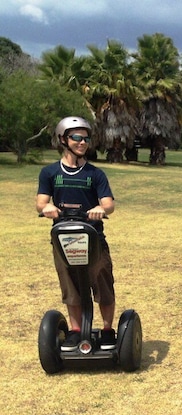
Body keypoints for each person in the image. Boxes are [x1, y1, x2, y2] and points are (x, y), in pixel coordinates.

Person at [37, 116, 118, 352]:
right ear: (63, 139)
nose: (82, 142)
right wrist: (47, 208)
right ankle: (74, 330)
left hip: (93, 237)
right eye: (76, 137)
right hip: (63, 237)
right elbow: (40, 202)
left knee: (102, 280)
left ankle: (106, 329)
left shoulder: (95, 174)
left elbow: (109, 203)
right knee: (70, 283)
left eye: (86, 138)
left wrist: (101, 209)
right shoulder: (50, 172)